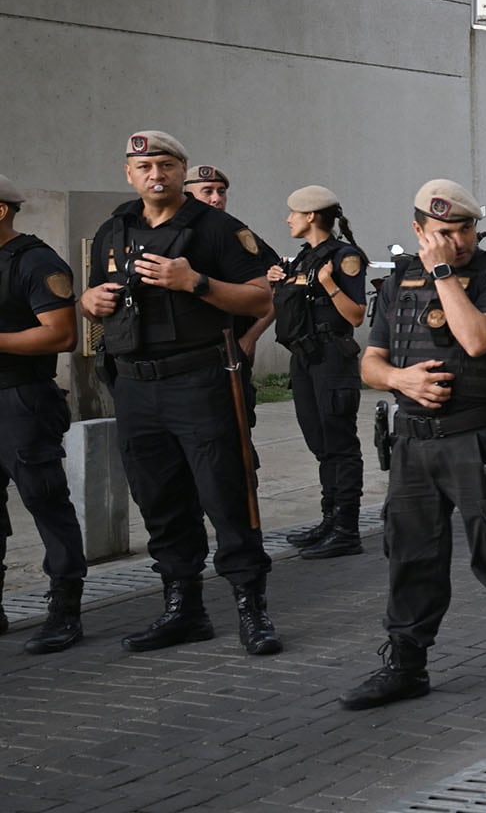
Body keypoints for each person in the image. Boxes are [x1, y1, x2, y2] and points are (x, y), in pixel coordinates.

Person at [340, 180, 486, 724]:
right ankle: (407, 665)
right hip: (412, 442)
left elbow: (476, 339)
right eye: (443, 233)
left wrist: (443, 274)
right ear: (418, 230)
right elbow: (370, 363)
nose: (457, 242)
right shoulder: (396, 282)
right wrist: (400, 380)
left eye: (465, 229)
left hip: (475, 439)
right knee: (410, 556)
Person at [77, 132, 279, 655]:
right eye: (144, 167)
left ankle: (251, 608)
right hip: (135, 386)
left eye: (165, 165)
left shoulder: (218, 229)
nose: (156, 175)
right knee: (159, 500)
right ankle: (184, 610)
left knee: (226, 495)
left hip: (200, 382)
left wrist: (196, 283)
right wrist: (89, 302)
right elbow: (95, 292)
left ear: (181, 170)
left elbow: (261, 299)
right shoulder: (113, 230)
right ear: (129, 174)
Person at [0, 174, 88, 653]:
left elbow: (61, 334)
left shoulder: (35, 261)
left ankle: (65, 609)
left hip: (21, 401)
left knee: (46, 502)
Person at [266, 186, 368, 560]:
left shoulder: (345, 257)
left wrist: (328, 283)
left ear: (310, 216)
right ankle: (330, 519)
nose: (288, 219)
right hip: (305, 358)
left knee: (340, 443)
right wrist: (278, 283)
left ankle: (346, 529)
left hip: (332, 359)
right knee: (320, 443)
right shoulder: (303, 258)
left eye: (293, 213)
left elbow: (356, 315)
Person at [186, 164, 275, 425]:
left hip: (229, 348)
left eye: (221, 191)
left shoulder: (237, 234)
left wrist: (251, 337)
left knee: (235, 426)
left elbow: (279, 288)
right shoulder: (171, 235)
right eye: (207, 191)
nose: (216, 198)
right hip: (184, 352)